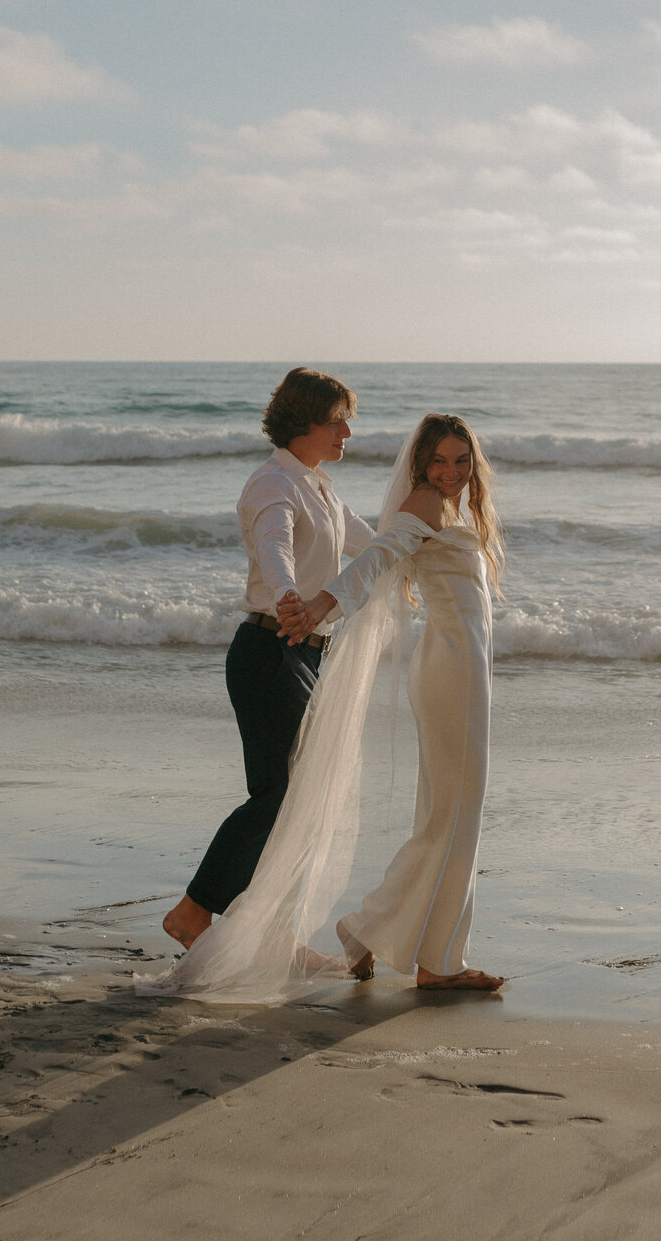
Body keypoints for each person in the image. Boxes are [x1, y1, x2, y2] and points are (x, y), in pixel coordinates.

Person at [137, 413, 504, 1002]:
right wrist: (318, 606)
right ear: (420, 464)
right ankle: (432, 959)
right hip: (452, 672)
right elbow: (377, 558)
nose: (451, 471)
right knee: (453, 811)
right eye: (439, 460)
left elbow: (362, 544)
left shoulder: (451, 510)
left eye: (462, 460)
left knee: (451, 809)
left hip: (464, 671)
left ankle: (377, 937)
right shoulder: (427, 504)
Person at [159, 367, 374, 952]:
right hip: (269, 650)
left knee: (295, 798)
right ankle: (195, 912)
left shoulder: (319, 486)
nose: (347, 431)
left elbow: (370, 544)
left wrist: (435, 539)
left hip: (303, 652)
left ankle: (272, 932)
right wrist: (288, 598)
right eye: (336, 420)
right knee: (275, 796)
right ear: (303, 421)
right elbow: (273, 543)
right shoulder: (271, 483)